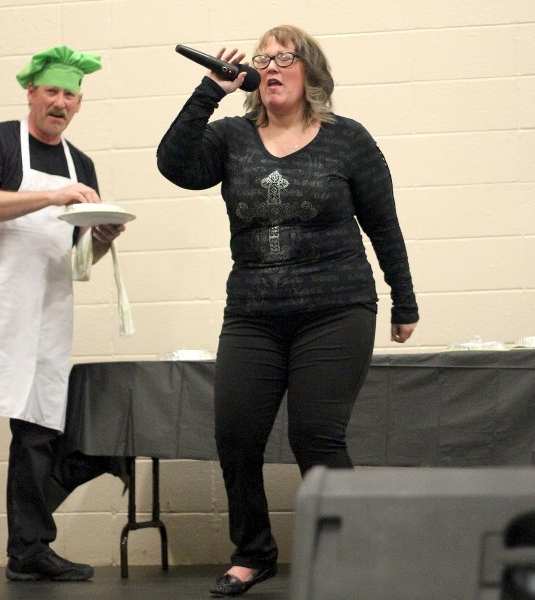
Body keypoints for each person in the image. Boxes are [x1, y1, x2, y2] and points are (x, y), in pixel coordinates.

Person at [157, 25, 419, 597]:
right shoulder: (231, 137)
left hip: (336, 308)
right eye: (262, 59)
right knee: (236, 436)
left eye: (284, 57)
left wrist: (404, 299)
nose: (271, 66)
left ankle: (350, 553)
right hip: (254, 310)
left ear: (309, 72)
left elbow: (383, 225)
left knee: (316, 435)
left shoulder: (347, 139)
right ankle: (253, 553)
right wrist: (209, 90)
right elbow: (174, 166)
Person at [0, 45, 126, 581]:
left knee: (37, 436)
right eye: (52, 91)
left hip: (47, 314)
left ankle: (29, 552)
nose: (60, 102)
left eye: (70, 94)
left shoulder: (81, 164)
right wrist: (51, 199)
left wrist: (103, 240)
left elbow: (77, 264)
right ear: (31, 93)